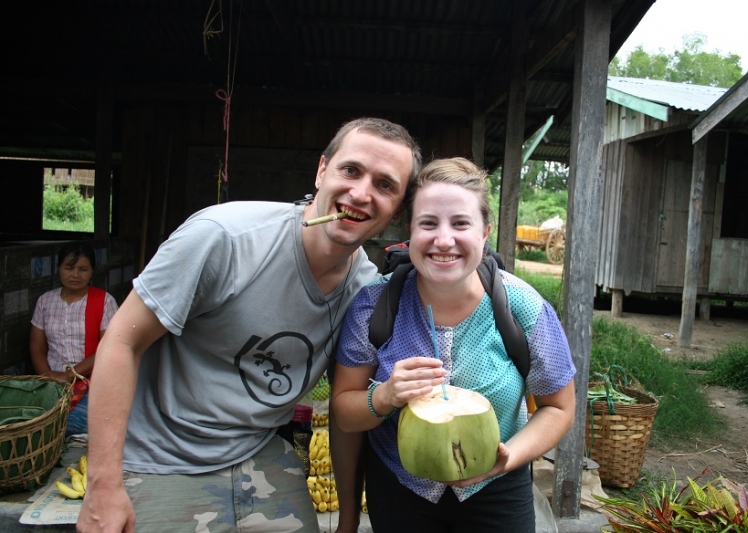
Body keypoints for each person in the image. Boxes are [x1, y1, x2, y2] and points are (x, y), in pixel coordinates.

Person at [76, 117, 422, 533]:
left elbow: (343, 408)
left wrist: (347, 519)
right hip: (159, 456)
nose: (361, 193)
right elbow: (121, 343)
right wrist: (102, 485)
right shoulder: (224, 238)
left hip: (257, 452)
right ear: (321, 170)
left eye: (385, 185)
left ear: (399, 209)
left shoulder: (365, 292)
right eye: (351, 170)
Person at [331, 157, 576, 533]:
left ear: (484, 232)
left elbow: (559, 408)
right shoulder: (372, 307)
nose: (444, 240)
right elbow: (344, 412)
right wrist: (384, 397)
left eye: (461, 223)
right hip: (400, 487)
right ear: (409, 230)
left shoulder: (523, 308)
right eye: (428, 223)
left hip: (496, 489)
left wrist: (510, 458)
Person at [30, 242, 119, 436]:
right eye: (69, 268)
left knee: (71, 426)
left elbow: (108, 348)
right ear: (59, 269)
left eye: (83, 269)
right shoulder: (45, 301)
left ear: (92, 272)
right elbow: (36, 347)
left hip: (92, 381)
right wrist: (47, 377)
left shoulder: (104, 301)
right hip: (51, 381)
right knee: (31, 422)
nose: (75, 275)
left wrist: (70, 376)